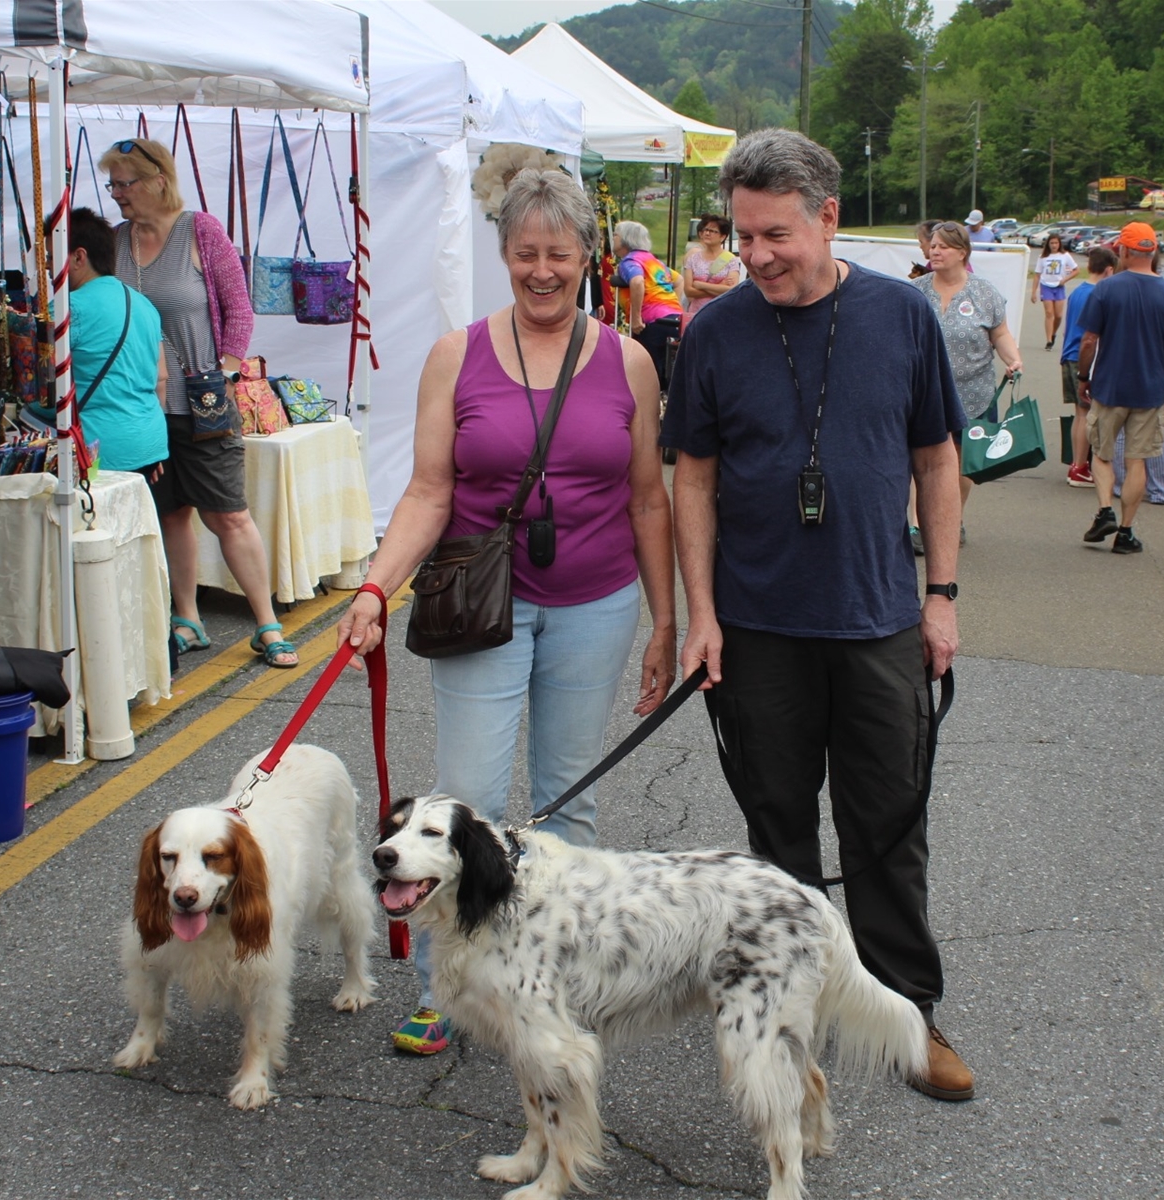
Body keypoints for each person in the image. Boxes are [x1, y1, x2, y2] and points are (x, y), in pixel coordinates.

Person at [661, 128, 975, 1102]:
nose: (751, 256)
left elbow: (937, 461)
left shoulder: (902, 316)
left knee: (886, 829)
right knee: (779, 835)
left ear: (827, 217)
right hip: (757, 631)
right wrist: (700, 614)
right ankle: (787, 1030)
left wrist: (942, 596)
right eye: (742, 237)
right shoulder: (713, 332)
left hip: (878, 619)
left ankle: (906, 1014)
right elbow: (694, 479)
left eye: (773, 236)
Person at [337, 168, 677, 1052]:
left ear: (586, 256)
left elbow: (649, 500)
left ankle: (558, 982)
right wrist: (375, 586)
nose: (542, 271)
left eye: (559, 254)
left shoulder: (628, 360)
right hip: (481, 605)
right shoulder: (458, 355)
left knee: (570, 807)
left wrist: (668, 620)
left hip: (597, 602)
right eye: (525, 253)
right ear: (504, 255)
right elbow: (427, 489)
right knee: (467, 800)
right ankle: (443, 986)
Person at [100, 138, 296, 667]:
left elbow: (239, 311)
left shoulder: (200, 231)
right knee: (172, 513)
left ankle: (266, 622)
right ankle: (187, 616)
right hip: (141, 407)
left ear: (158, 179)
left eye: (125, 183)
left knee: (228, 514)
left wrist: (225, 374)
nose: (117, 194)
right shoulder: (115, 242)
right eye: (112, 185)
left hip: (201, 403)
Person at [1075, 221, 1164, 555]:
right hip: (1151, 390)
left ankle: (1104, 510)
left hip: (1109, 386)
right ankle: (1126, 532)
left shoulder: (1107, 289)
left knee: (1101, 453)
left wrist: (1084, 377)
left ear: (1123, 251)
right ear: (1153, 250)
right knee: (1137, 460)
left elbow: (1088, 340)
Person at [911, 221, 1022, 549]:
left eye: (943, 246)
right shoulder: (917, 290)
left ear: (962, 252)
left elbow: (1000, 334)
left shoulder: (984, 292)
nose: (935, 250)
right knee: (924, 457)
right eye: (933, 245)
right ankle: (918, 527)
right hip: (927, 392)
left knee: (962, 462)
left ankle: (952, 519)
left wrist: (1013, 359)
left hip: (975, 394)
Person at [57, 208, 169, 478]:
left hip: (97, 449)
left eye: (51, 257)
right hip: (149, 441)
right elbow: (161, 378)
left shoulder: (67, 308)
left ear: (78, 257)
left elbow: (38, 379)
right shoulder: (145, 305)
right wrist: (147, 447)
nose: (49, 269)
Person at [1060, 245, 1115, 487]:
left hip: (1068, 353)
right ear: (1109, 270)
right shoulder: (1099, 295)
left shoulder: (1077, 291)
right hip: (1083, 358)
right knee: (1087, 414)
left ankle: (1076, 462)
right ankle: (1081, 466)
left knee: (1079, 413)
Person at [612, 219, 684, 392]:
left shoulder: (629, 261)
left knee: (648, 372)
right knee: (670, 369)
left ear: (626, 240)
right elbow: (679, 280)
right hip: (674, 318)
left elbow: (637, 282)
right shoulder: (654, 261)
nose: (612, 238)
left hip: (652, 320)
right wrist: (674, 305)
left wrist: (636, 317)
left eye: (615, 235)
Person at [682, 213, 740, 316]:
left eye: (713, 231)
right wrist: (719, 287)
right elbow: (688, 291)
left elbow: (731, 290)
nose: (707, 233)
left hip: (721, 313)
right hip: (696, 313)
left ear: (722, 237)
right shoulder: (693, 259)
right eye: (706, 230)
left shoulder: (730, 260)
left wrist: (701, 285)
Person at [1031, 232, 1078, 350]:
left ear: (1059, 244)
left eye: (1056, 243)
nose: (1054, 245)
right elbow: (1037, 275)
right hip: (1046, 286)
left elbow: (1076, 270)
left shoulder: (1065, 255)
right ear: (1048, 244)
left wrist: (1065, 280)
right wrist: (1033, 292)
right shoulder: (1042, 257)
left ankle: (1053, 332)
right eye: (1052, 243)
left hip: (1059, 287)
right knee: (1049, 313)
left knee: (1058, 315)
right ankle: (1048, 340)